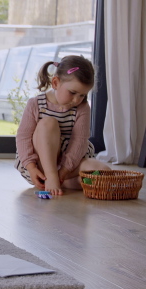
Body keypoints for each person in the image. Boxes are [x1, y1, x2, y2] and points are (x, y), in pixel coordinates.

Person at [14, 55, 110, 195]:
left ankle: (61, 182)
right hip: (40, 165)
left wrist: (64, 171)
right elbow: (23, 137)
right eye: (73, 92)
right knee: (48, 123)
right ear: (55, 83)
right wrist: (31, 167)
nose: (77, 100)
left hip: (68, 166)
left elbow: (79, 141)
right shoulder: (36, 104)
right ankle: (50, 178)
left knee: (103, 172)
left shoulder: (82, 108)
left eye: (83, 95)